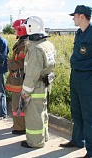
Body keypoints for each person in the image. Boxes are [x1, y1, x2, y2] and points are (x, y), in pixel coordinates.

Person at [59, 5, 92, 158]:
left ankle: (90, 151)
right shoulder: (79, 33)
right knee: (76, 110)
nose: (73, 18)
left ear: (82, 16)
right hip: (76, 74)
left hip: (88, 76)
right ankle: (78, 140)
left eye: (75, 15)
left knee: (88, 114)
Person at [20, 16, 56, 148]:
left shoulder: (35, 48)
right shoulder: (48, 45)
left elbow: (31, 74)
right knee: (42, 111)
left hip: (36, 87)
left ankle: (35, 141)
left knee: (34, 114)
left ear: (30, 29)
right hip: (45, 84)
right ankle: (43, 136)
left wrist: (25, 92)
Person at [5, 19, 27, 134]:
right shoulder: (21, 43)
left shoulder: (24, 44)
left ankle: (20, 127)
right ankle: (18, 124)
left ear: (20, 29)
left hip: (19, 80)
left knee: (18, 104)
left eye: (15, 30)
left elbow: (21, 62)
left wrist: (10, 64)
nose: (14, 32)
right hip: (17, 79)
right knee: (16, 103)